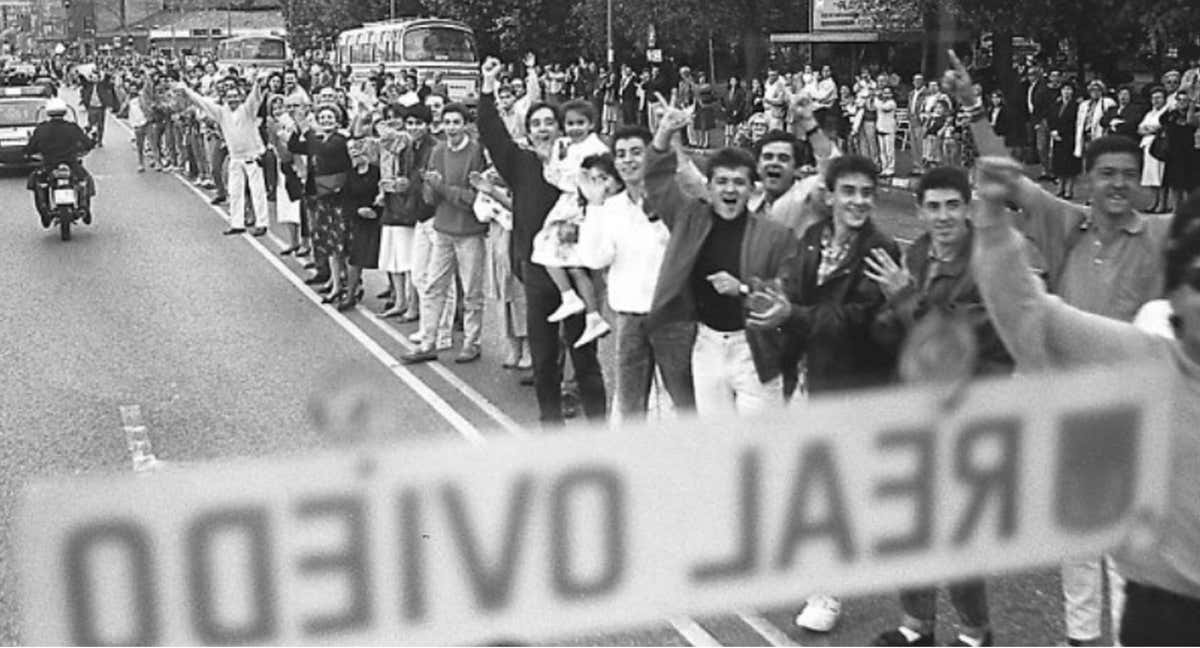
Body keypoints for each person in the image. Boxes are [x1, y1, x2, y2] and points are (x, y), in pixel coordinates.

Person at [949, 52, 1169, 646]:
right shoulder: (1063, 221)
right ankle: (1080, 639)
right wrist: (974, 108)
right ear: (1089, 179)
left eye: (1128, 173)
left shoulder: (1162, 234)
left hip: (1136, 414)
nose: (1119, 183)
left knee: (1133, 551)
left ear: (1140, 179)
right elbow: (1003, 175)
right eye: (1107, 174)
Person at [972, 162, 1200, 647]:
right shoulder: (1145, 359)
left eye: (1127, 174)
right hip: (1166, 616)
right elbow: (1029, 313)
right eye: (1199, 279)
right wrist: (991, 220)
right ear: (1175, 292)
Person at [865, 167, 1014, 647]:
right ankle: (917, 625)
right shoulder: (917, 252)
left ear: (968, 208)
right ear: (919, 210)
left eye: (953, 205)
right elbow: (899, 328)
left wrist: (904, 297)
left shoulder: (989, 263)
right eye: (933, 206)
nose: (944, 215)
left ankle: (975, 632)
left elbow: (960, 340)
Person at [645, 101, 798, 417]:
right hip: (707, 345)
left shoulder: (775, 234)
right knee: (718, 441)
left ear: (751, 189)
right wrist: (664, 132)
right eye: (722, 182)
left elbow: (786, 295)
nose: (730, 190)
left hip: (755, 349)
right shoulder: (690, 219)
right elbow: (657, 181)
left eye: (739, 182)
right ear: (710, 188)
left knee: (760, 443)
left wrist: (742, 289)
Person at [477, 55, 608, 425]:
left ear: (561, 128)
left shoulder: (581, 159)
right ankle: (550, 424)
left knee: (585, 358)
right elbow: (491, 131)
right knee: (544, 356)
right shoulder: (519, 163)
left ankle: (601, 429)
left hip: (577, 268)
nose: (543, 128)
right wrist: (488, 86)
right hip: (537, 275)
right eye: (536, 124)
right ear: (528, 130)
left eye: (550, 122)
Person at [576, 125, 694, 420]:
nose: (628, 160)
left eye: (636, 152)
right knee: (630, 407)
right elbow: (594, 258)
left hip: (674, 317)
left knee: (685, 402)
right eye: (620, 155)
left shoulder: (674, 199)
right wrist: (593, 206)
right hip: (629, 319)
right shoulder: (610, 207)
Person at [402, 103, 488, 365]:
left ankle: (472, 342)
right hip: (442, 228)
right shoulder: (438, 151)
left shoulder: (475, 152)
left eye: (456, 122)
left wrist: (442, 188)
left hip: (469, 231)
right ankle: (429, 341)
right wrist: (430, 186)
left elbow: (474, 198)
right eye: (447, 122)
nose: (451, 127)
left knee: (472, 291)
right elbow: (431, 197)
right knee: (432, 286)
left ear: (465, 124)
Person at [534, 99, 612, 346]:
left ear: (591, 124)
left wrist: (579, 221)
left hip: (581, 208)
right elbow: (556, 177)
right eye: (569, 123)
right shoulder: (567, 146)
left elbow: (575, 182)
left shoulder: (594, 150)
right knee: (571, 264)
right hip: (572, 204)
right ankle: (587, 312)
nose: (575, 128)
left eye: (580, 123)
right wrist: (548, 160)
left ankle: (579, 304)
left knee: (550, 249)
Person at [176, 72, 270, 236]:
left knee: (257, 192)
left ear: (241, 98)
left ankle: (262, 222)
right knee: (235, 191)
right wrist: (186, 91)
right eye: (229, 97)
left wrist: (258, 83)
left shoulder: (247, 110)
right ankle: (237, 223)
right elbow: (202, 102)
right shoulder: (221, 112)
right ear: (225, 98)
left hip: (252, 157)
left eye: (236, 96)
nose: (233, 99)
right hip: (235, 158)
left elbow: (255, 98)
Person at [24, 97, 95, 228]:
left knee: (36, 182)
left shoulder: (41, 128)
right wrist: (91, 142)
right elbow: (87, 143)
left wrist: (27, 152)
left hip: (49, 165)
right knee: (85, 179)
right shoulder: (72, 127)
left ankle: (43, 210)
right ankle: (84, 206)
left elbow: (31, 147)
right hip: (71, 163)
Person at [1161, 88, 1200, 210]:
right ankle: (1176, 210)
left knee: (1190, 185)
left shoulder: (1196, 113)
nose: (1183, 102)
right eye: (1180, 100)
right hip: (1174, 153)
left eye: (1185, 100)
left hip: (1191, 153)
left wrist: (1192, 107)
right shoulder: (1171, 114)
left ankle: (1190, 211)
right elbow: (1162, 121)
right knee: (1175, 184)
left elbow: (1191, 123)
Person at [1138, 87, 1170, 213]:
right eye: (1153, 98)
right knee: (1150, 176)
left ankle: (1162, 203)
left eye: (1158, 98)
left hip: (1160, 146)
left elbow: (1161, 128)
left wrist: (1150, 129)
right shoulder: (1149, 113)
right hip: (1147, 145)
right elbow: (1140, 129)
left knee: (1160, 175)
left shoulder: (1166, 112)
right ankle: (1154, 201)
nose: (1155, 101)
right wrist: (1149, 129)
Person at [1049, 83, 1081, 200]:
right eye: (1064, 89)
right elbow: (1051, 118)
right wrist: (1053, 131)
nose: (1066, 92)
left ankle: (1069, 190)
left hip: (1070, 138)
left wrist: (1061, 132)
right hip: (1056, 137)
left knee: (1070, 165)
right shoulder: (1056, 104)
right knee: (1059, 164)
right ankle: (1060, 188)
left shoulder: (1076, 106)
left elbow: (1075, 123)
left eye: (1069, 90)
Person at [79, 66, 118, 146]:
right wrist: (80, 74)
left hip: (100, 107)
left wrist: (108, 73)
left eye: (96, 77)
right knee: (91, 124)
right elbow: (83, 80)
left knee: (100, 125)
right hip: (91, 107)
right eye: (93, 77)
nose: (94, 79)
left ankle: (100, 140)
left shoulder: (102, 85)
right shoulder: (88, 85)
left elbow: (107, 79)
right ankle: (91, 138)